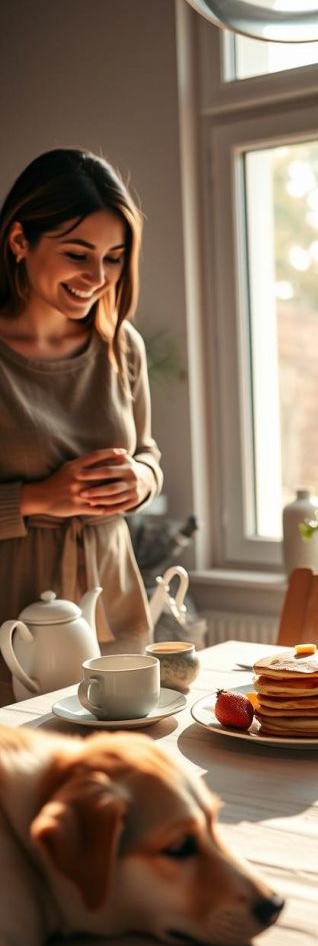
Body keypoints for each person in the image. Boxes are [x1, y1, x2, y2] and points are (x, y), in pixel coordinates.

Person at [0, 149, 163, 705]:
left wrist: (140, 480)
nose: (97, 278)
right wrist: (40, 496)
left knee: (114, 781)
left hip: (112, 596)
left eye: (114, 258)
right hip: (13, 622)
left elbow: (148, 455)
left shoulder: (122, 346)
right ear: (20, 241)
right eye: (77, 253)